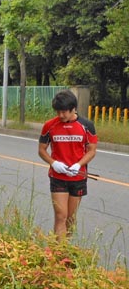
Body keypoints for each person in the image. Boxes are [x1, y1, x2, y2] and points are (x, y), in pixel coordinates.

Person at [38, 90, 97, 241]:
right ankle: (58, 254)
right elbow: (41, 150)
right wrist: (53, 163)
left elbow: (91, 151)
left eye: (64, 112)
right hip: (58, 177)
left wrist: (78, 165)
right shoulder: (49, 126)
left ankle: (66, 249)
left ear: (73, 109)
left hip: (77, 178)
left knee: (70, 218)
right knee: (60, 216)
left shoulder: (87, 126)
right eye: (58, 111)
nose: (61, 115)